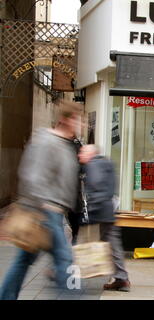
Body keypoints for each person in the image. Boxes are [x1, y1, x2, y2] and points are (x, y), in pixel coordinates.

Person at [0, 100, 82, 300]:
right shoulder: (46, 141)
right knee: (64, 260)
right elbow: (32, 175)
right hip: (46, 213)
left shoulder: (65, 145)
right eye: (78, 120)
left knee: (23, 260)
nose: (82, 125)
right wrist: (45, 205)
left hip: (54, 212)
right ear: (65, 120)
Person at [78, 144, 130, 292]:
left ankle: (62, 272)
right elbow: (111, 188)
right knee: (113, 245)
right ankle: (122, 279)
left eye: (82, 152)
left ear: (91, 154)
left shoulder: (92, 165)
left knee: (83, 243)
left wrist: (89, 212)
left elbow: (95, 187)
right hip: (108, 211)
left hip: (97, 212)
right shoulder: (107, 163)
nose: (79, 155)